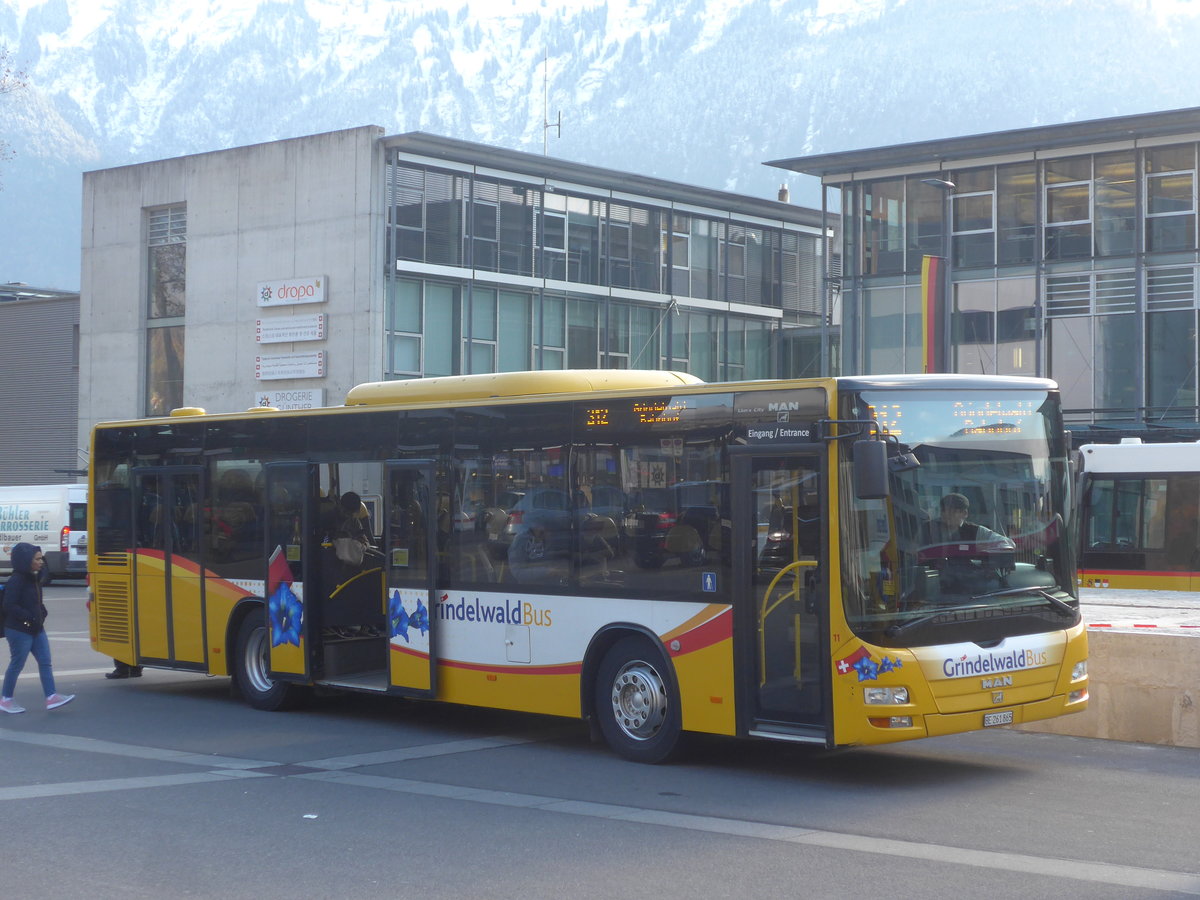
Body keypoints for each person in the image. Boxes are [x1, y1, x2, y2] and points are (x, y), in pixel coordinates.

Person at [1, 542, 75, 713]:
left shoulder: (34, 577)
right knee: (17, 664)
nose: (41, 562)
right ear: (26, 560)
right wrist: (30, 617)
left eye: (41, 558)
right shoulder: (16, 580)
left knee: (45, 661)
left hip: (36, 628)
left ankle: (51, 697)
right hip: (19, 630)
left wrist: (42, 611)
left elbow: (35, 602)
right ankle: (6, 700)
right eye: (37, 559)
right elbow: (8, 605)